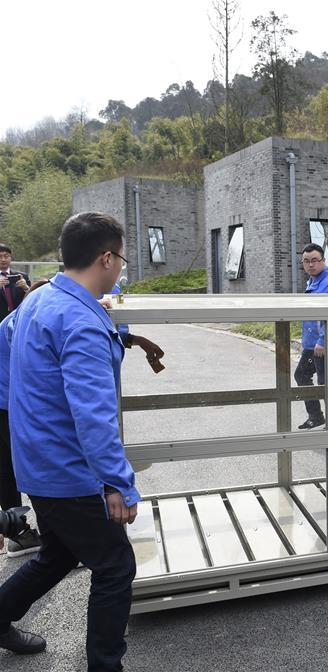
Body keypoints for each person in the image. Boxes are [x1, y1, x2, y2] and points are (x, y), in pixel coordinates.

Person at [0, 212, 139, 667]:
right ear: (105, 258)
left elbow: (8, 343)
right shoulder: (80, 322)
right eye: (120, 258)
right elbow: (94, 417)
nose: (121, 268)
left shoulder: (39, 301)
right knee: (115, 566)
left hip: (37, 463)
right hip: (69, 472)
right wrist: (117, 482)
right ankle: (104, 665)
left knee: (58, 555)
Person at [0, 279, 50, 558]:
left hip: (4, 397)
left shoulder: (20, 315)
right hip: (7, 399)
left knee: (7, 467)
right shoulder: (28, 321)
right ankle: (57, 539)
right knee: (35, 465)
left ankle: (17, 533)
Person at [295, 244, 328, 429]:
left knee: (327, 385)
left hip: (324, 345)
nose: (310, 265)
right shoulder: (313, 281)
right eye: (306, 261)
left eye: (314, 260)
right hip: (312, 345)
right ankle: (316, 416)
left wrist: (323, 341)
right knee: (301, 375)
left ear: (323, 261)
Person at [0, 244, 30, 320]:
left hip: (18, 319)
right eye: (0, 256)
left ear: (11, 258)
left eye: (6, 256)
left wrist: (26, 288)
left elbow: (32, 299)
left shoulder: (22, 276)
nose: (3, 259)